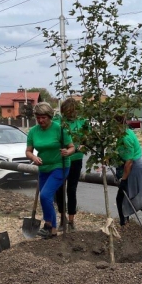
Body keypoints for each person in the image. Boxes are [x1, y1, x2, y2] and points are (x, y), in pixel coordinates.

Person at [25, 102, 75, 239]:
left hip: (60, 166)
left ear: (49, 117)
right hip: (44, 168)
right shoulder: (33, 131)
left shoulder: (59, 129)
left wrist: (67, 152)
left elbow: (72, 147)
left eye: (43, 118)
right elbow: (28, 151)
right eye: (38, 118)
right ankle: (53, 231)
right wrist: (34, 157)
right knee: (45, 199)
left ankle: (47, 225)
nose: (40, 120)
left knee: (46, 195)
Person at [54, 98, 88, 230]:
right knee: (59, 189)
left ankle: (71, 220)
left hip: (76, 159)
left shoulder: (82, 122)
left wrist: (83, 145)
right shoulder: (58, 122)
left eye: (72, 113)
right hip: (61, 159)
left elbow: (87, 138)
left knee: (71, 190)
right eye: (67, 113)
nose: (70, 115)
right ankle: (62, 218)